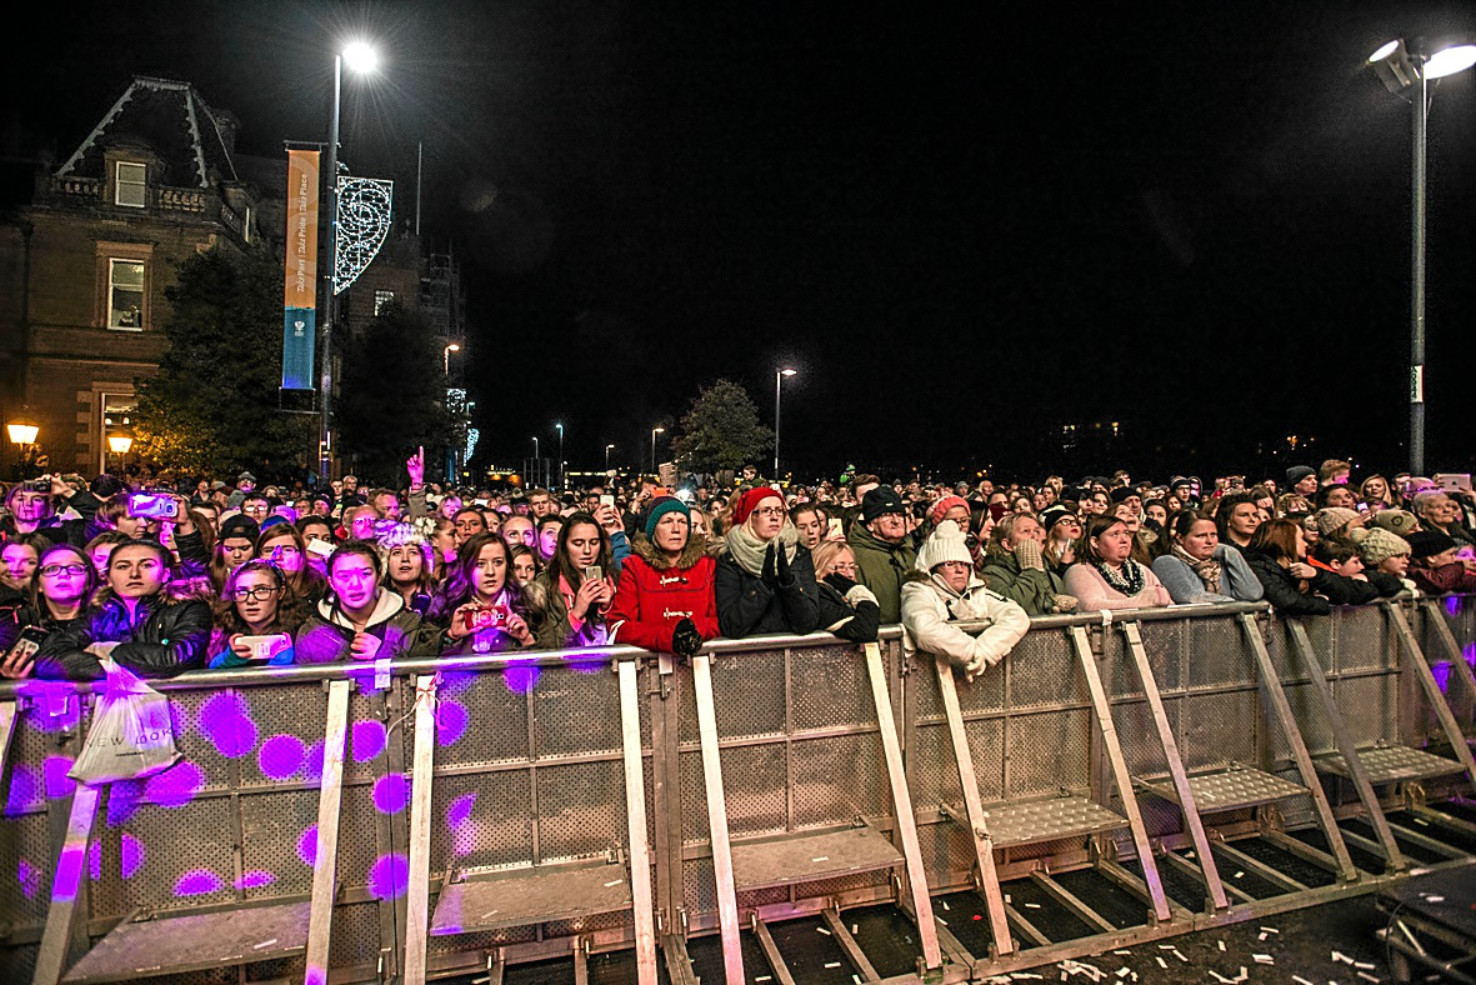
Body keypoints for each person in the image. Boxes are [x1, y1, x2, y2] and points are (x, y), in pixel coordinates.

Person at [32, 539, 212, 680]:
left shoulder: (189, 608)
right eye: (123, 566)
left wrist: (110, 651)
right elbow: (49, 660)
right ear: (108, 577)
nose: (134, 574)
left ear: (165, 574)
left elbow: (175, 658)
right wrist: (111, 668)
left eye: (146, 565)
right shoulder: (99, 613)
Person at [900, 521, 1030, 682]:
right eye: (950, 564)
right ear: (933, 569)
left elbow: (1016, 615)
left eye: (964, 564)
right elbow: (924, 627)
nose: (959, 570)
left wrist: (985, 649)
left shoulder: (976, 591)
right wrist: (971, 651)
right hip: (925, 680)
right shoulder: (917, 590)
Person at [608, 496, 719, 654]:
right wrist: (667, 637)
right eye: (667, 521)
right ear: (653, 529)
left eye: (682, 521)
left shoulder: (708, 566)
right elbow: (618, 626)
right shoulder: (635, 567)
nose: (676, 529)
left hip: (701, 665)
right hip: (650, 668)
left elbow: (719, 620)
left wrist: (694, 633)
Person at [295, 543, 436, 663]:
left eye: (365, 574)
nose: (355, 585)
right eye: (344, 576)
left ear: (378, 576)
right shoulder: (313, 632)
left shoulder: (407, 624)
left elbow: (425, 681)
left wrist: (386, 653)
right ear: (331, 582)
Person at [715, 487, 821, 638]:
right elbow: (731, 625)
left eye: (779, 510)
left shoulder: (799, 554)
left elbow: (808, 622)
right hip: (748, 655)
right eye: (766, 511)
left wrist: (789, 585)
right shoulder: (730, 558)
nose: (774, 517)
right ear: (750, 517)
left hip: (795, 652)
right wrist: (762, 588)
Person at [0, 544, 99, 678]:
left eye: (75, 568)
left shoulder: (106, 620)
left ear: (88, 582)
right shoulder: (17, 621)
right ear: (39, 584)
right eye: (52, 568)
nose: (64, 574)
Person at [430, 532, 536, 655]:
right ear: (467, 567)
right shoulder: (446, 603)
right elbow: (421, 657)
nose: (490, 572)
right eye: (480, 564)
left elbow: (551, 668)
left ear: (508, 566)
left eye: (498, 562)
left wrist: (527, 640)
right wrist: (451, 636)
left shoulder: (528, 604)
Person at [524, 512, 619, 648]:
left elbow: (628, 635)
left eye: (594, 542)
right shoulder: (545, 585)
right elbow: (544, 647)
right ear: (564, 546)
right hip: (565, 668)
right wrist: (576, 614)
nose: (587, 550)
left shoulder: (615, 578)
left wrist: (607, 609)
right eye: (578, 543)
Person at [1243, 518, 1356, 616]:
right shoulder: (1257, 566)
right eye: (1301, 538)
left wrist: (1317, 575)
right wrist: (1322, 602)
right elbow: (1287, 601)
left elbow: (1344, 593)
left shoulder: (1301, 564)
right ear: (1286, 540)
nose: (1306, 544)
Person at [1063, 516, 1174, 612]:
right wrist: (1145, 600)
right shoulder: (1080, 571)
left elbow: (1167, 603)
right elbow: (1091, 607)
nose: (1124, 540)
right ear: (1095, 542)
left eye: (1126, 533)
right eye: (1114, 534)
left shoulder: (1142, 570)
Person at [1151, 510, 1264, 604]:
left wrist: (1230, 552)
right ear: (1180, 538)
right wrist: (1235, 605)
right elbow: (1190, 598)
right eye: (1201, 536)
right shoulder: (1166, 562)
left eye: (1213, 535)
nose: (1209, 541)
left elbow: (1252, 593)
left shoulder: (1222, 563)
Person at [208, 560, 303, 668]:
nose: (251, 600)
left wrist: (287, 666)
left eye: (262, 590)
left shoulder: (301, 634)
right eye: (242, 591)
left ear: (280, 593)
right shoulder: (223, 632)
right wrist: (226, 661)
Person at [978, 513, 1076, 615]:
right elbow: (1012, 607)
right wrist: (1030, 570)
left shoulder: (1051, 576)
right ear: (1007, 544)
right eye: (1026, 531)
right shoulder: (991, 574)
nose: (1034, 536)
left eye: (1037, 531)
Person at [847, 487, 917, 624]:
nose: (896, 521)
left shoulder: (910, 553)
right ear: (870, 525)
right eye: (886, 515)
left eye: (899, 514)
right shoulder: (853, 556)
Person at [809, 539, 882, 642]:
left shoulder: (846, 594)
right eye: (841, 567)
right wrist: (857, 591)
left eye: (852, 567)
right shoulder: (818, 596)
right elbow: (864, 630)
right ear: (819, 567)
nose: (850, 574)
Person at [257, 523, 327, 604]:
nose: (277, 557)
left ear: (301, 556)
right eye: (269, 550)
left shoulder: (319, 589)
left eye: (287, 550)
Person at [378, 522, 437, 615]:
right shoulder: (376, 601)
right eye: (397, 553)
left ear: (424, 560)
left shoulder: (440, 599)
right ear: (386, 561)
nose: (405, 559)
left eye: (413, 552)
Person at [1406, 531, 1476, 595]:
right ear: (1431, 558)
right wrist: (1459, 566)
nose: (1455, 559)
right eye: (1451, 554)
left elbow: (1463, 581)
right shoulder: (1414, 571)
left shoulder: (1441, 573)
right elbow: (1440, 584)